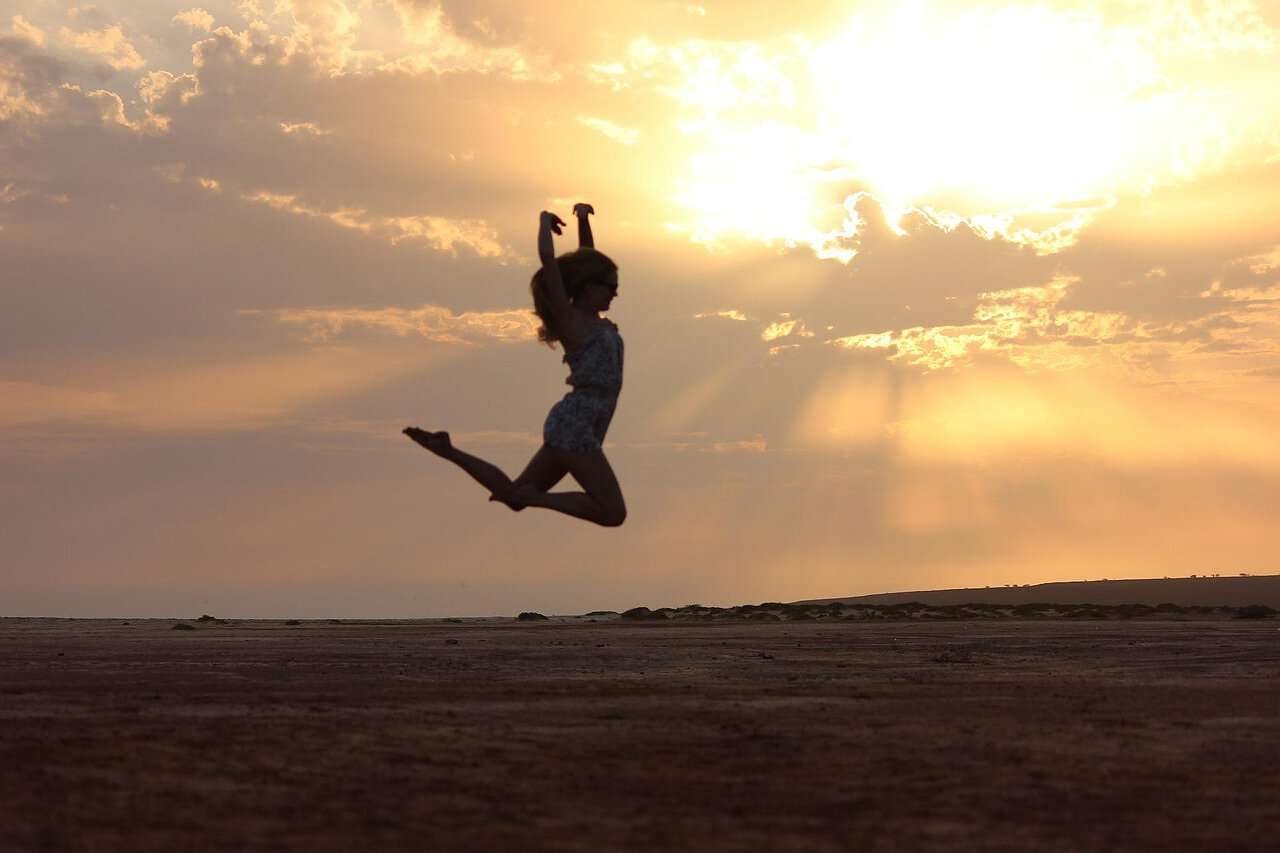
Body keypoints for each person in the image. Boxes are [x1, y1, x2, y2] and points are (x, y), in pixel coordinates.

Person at [404, 203, 627, 527]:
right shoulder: (571, 322)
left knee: (513, 495)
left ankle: (447, 450)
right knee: (612, 513)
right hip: (576, 422)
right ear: (589, 286)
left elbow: (587, 258)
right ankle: (537, 498)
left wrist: (582, 219)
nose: (616, 294)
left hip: (582, 423)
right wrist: (543, 222)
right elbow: (549, 260)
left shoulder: (595, 320)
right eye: (611, 287)